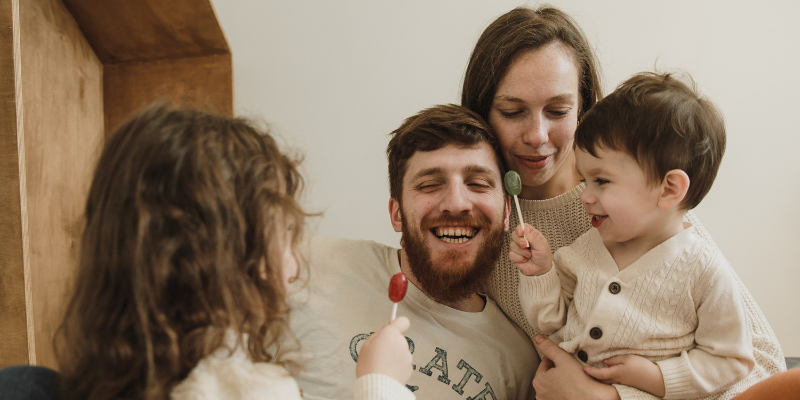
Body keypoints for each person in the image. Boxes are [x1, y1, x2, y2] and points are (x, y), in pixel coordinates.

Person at [460, 6, 786, 400]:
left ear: (584, 109)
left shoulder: (645, 208)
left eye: (558, 111)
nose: (537, 135)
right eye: (513, 112)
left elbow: (766, 369)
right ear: (482, 113)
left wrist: (613, 398)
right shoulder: (480, 224)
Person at [20, 104, 412, 400]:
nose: (296, 264)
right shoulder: (251, 389)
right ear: (236, 254)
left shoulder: (96, 382)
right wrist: (381, 384)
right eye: (287, 232)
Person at [511, 72, 754, 398]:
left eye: (602, 181)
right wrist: (540, 273)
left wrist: (658, 377)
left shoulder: (704, 271)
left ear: (669, 189)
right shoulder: (585, 249)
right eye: (585, 180)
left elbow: (731, 361)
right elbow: (550, 322)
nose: (585, 195)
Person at [291, 104, 538, 400]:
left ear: (507, 211)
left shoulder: (520, 362)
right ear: (397, 214)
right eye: (431, 184)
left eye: (477, 183)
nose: (456, 203)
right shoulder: (304, 265)